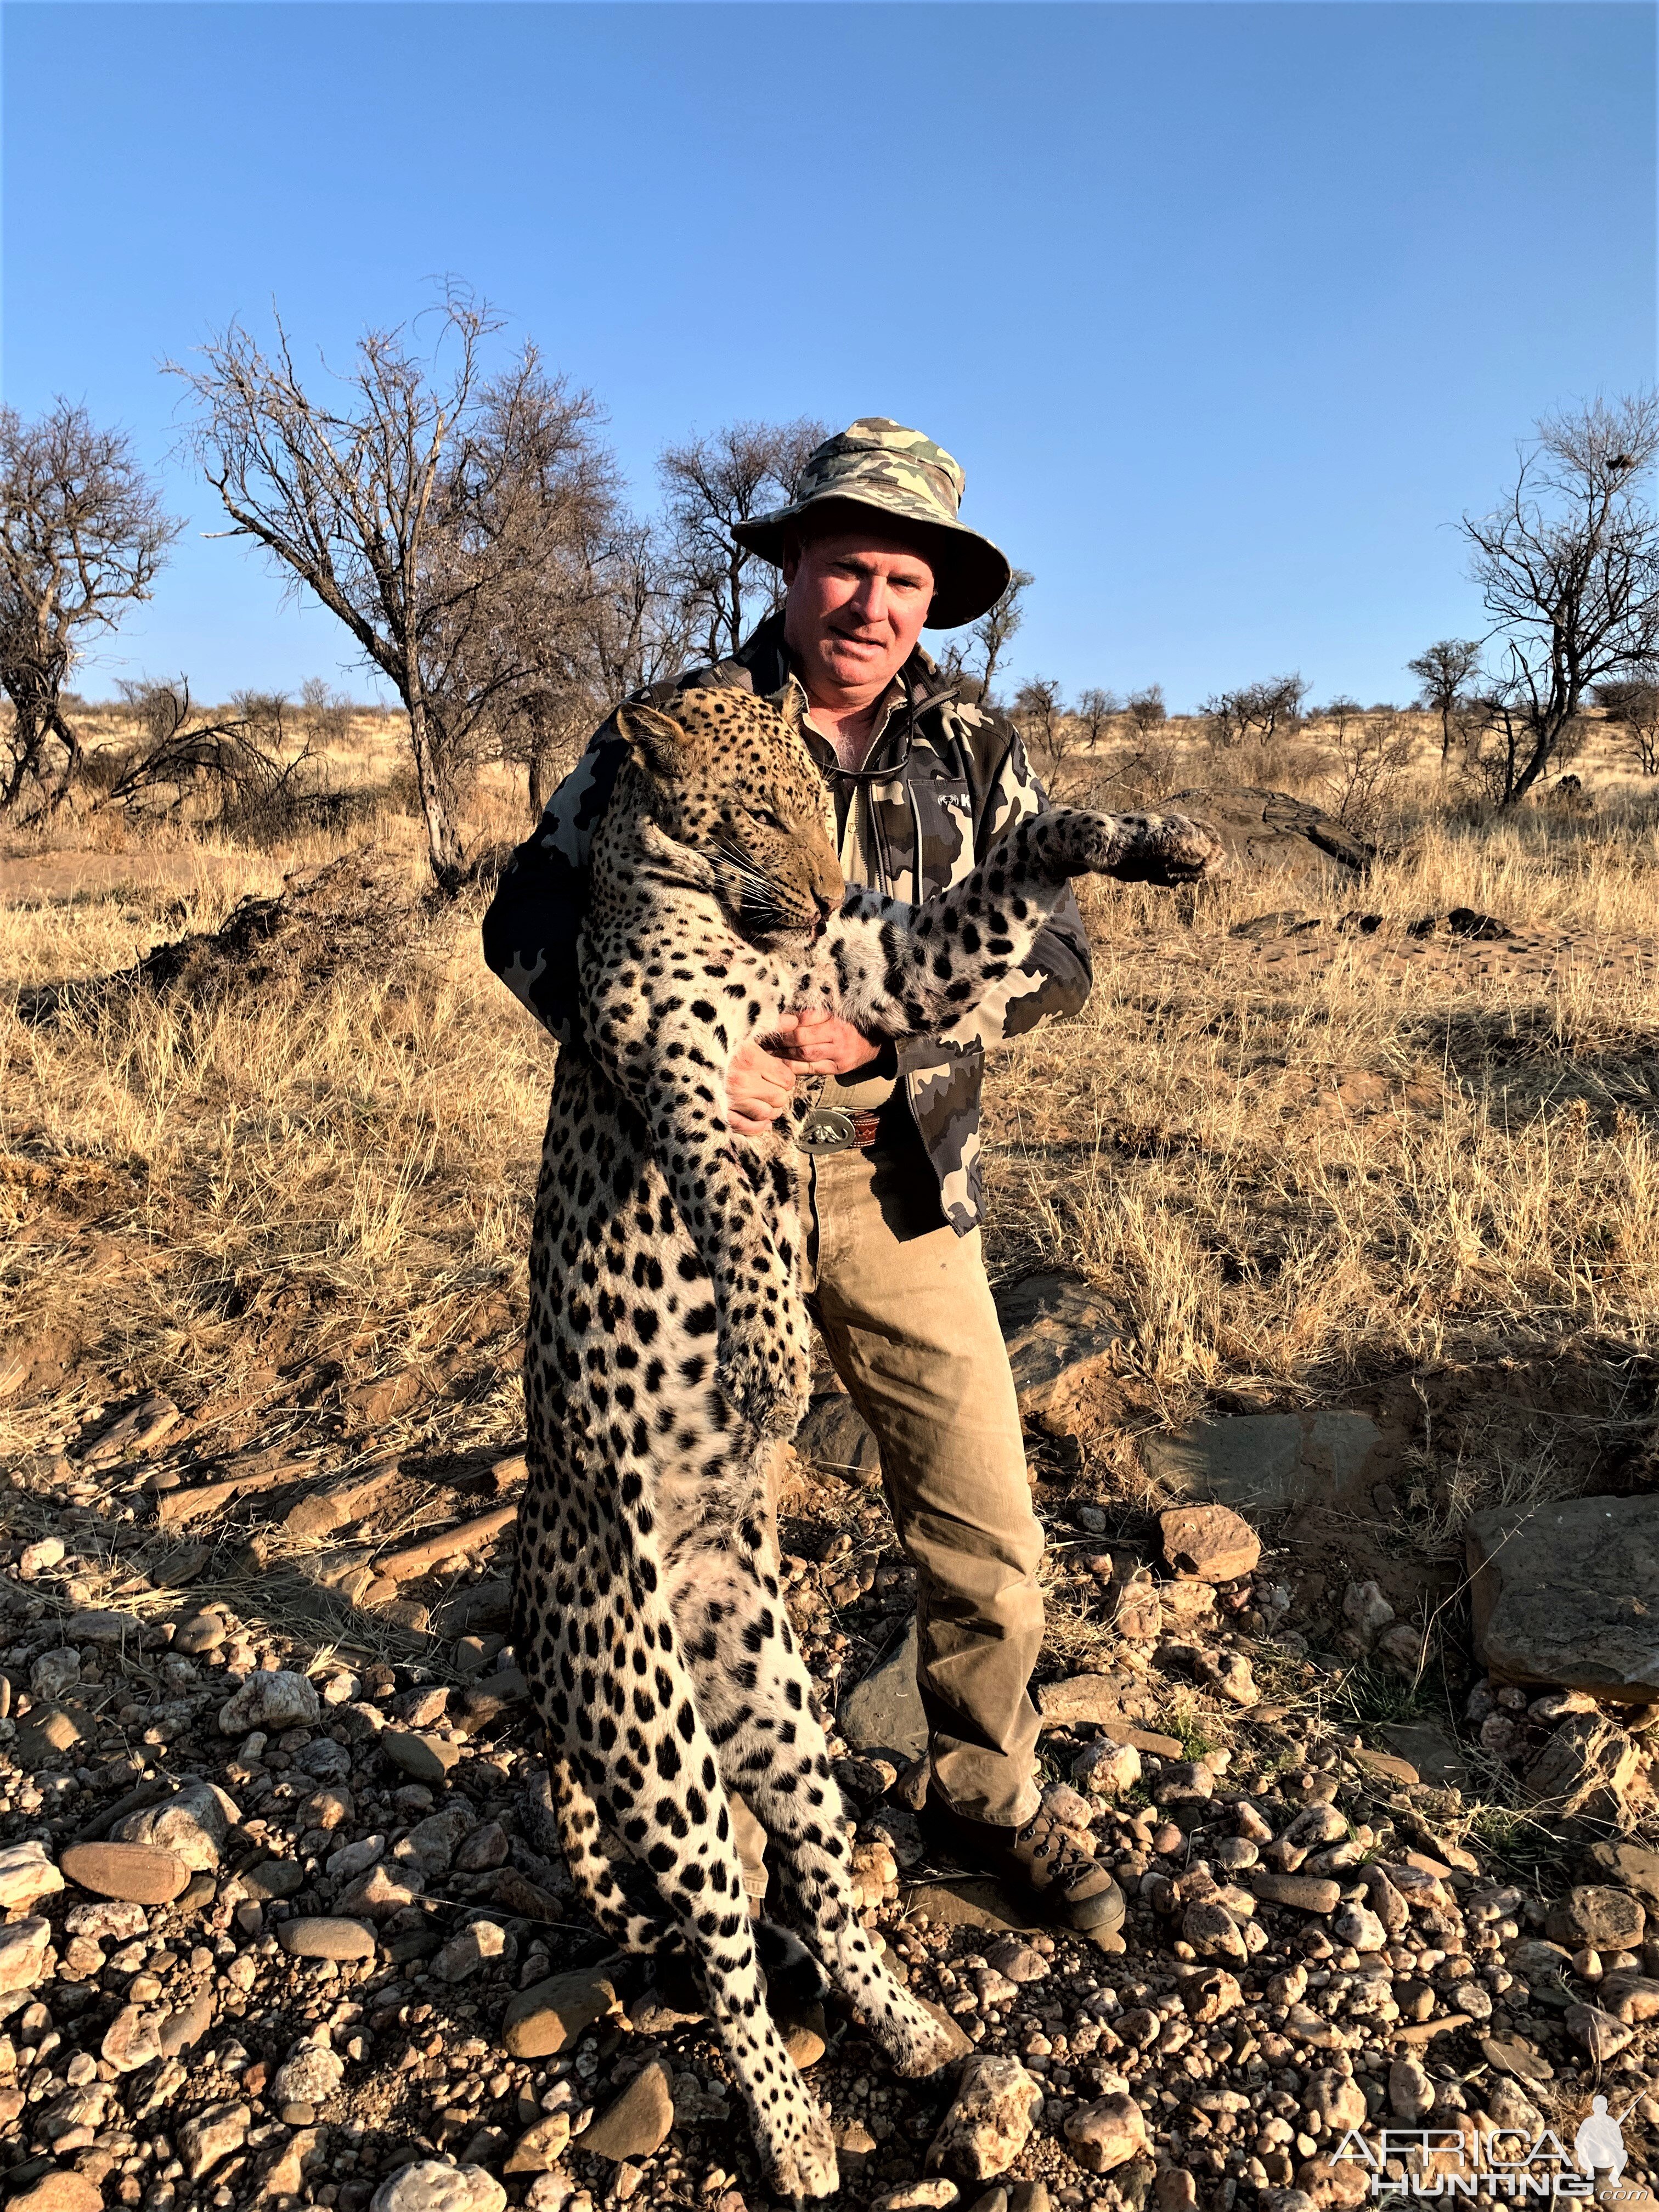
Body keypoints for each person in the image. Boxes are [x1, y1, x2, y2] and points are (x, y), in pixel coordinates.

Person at [483, 417, 1125, 1936]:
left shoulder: (979, 752)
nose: (873, 604)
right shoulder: (670, 725)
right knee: (698, 1539)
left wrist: (881, 1040)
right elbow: (526, 919)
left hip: (901, 1180)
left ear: (936, 597)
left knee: (983, 1521)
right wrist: (672, 1055)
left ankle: (985, 1791)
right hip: (682, 1199)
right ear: (792, 571)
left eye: (904, 579)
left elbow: (1066, 959)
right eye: (847, 567)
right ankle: (737, 1863)